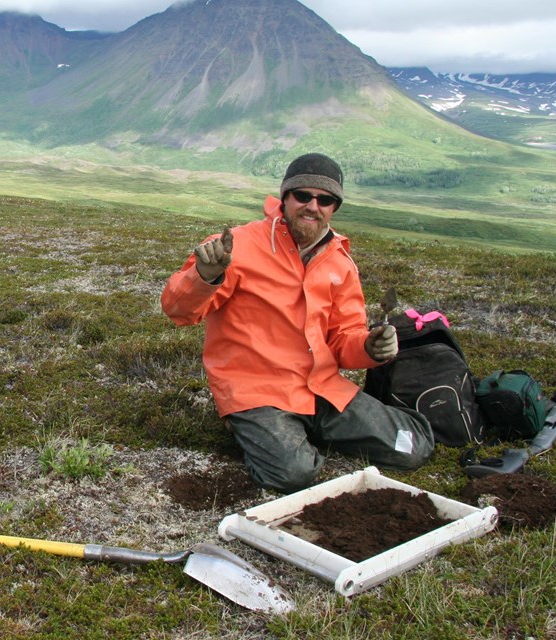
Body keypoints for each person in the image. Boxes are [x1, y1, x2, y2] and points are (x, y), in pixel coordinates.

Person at [161, 153, 434, 493]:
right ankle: (255, 429)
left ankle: (306, 431)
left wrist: (369, 347)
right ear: (285, 197)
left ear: (335, 206)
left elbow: (344, 339)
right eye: (303, 196)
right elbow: (178, 310)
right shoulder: (236, 246)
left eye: (325, 199)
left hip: (321, 388)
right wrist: (205, 276)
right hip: (256, 392)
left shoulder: (340, 262)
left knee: (413, 447)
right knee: (294, 474)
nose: (312, 206)